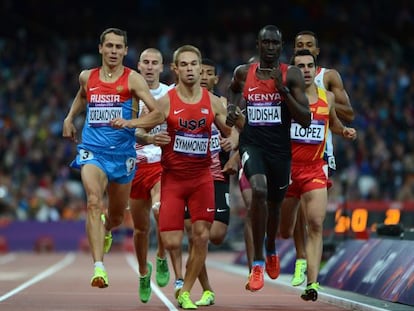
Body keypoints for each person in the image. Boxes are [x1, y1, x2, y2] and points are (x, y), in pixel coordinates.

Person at [114, 45, 232, 309]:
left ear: (200, 68)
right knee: (171, 241)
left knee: (201, 236)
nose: (191, 69)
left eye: (194, 64)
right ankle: (169, 270)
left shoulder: (212, 101)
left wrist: (233, 137)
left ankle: (187, 291)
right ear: (176, 69)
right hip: (174, 181)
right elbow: (148, 124)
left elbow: (230, 130)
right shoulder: (166, 101)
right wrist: (131, 126)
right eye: (185, 65)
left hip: (202, 179)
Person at [62, 28, 164, 289]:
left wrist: (131, 122)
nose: (114, 51)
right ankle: (99, 267)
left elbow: (157, 115)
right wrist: (69, 118)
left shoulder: (133, 80)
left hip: (123, 155)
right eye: (109, 46)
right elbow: (82, 95)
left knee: (117, 216)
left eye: (119, 47)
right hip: (93, 151)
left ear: (125, 51)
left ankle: (108, 228)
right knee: (94, 201)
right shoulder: (87, 76)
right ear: (100, 49)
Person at [226, 25, 311, 292]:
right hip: (253, 144)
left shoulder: (291, 74)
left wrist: (282, 91)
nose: (271, 47)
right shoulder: (244, 72)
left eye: (276, 43)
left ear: (281, 45)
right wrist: (232, 109)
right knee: (259, 191)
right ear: (258, 45)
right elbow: (233, 91)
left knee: (275, 206)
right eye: (266, 43)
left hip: (280, 151)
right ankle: (259, 263)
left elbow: (306, 119)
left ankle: (271, 247)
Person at [279, 49, 357, 301]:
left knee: (314, 224)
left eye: (309, 66)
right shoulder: (287, 100)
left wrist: (344, 131)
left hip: (314, 169)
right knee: (284, 230)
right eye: (300, 66)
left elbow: (332, 122)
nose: (306, 70)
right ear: (293, 71)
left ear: (315, 68)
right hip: (288, 171)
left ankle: (312, 283)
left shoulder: (328, 97)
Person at [180, 58, 236, 306]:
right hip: (190, 177)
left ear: (215, 79)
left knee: (216, 235)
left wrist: (232, 144)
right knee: (195, 236)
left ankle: (196, 285)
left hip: (217, 175)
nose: (203, 76)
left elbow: (239, 130)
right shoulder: (182, 100)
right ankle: (204, 289)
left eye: (209, 73)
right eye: (200, 71)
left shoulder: (222, 104)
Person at [128, 48, 171, 303]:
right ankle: (144, 272)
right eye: (146, 62)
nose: (150, 66)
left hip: (162, 163)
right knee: (141, 229)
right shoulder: (131, 94)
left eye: (155, 63)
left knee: (161, 210)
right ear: (139, 66)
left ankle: (163, 255)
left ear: (162, 67)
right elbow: (125, 129)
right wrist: (145, 134)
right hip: (135, 165)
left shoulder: (169, 94)